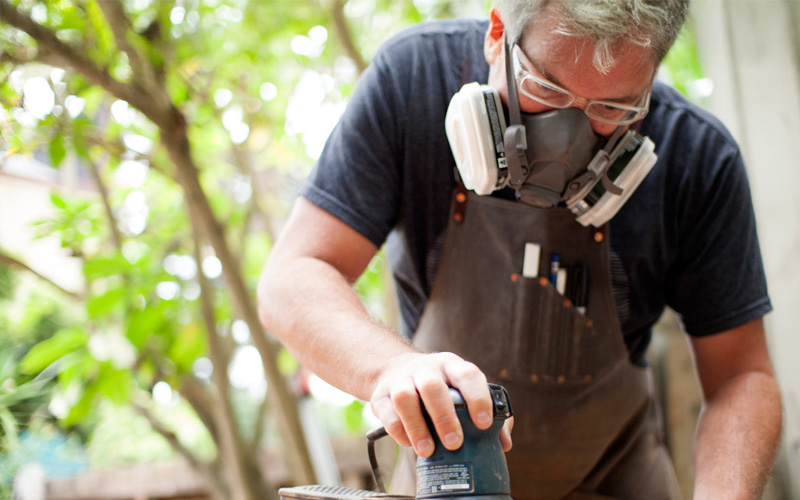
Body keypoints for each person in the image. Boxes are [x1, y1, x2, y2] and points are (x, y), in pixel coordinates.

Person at [258, 1, 783, 498]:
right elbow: (295, 274)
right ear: (496, 35)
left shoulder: (697, 157)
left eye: (612, 107)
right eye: (548, 91)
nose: (568, 137)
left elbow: (741, 375)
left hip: (615, 481)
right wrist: (387, 369)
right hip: (442, 482)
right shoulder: (413, 80)